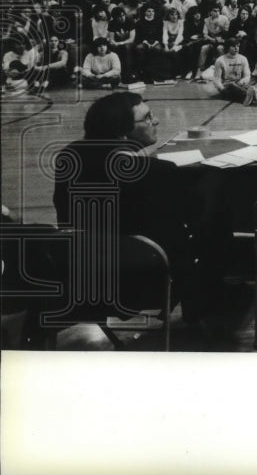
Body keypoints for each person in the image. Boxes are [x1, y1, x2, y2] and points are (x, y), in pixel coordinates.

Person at [52, 93, 209, 323]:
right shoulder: (157, 171)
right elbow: (193, 214)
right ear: (122, 132)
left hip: (83, 277)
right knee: (213, 224)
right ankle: (202, 311)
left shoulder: (69, 157)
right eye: (147, 118)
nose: (155, 121)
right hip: (143, 283)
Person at [211, 37, 257, 106]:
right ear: (228, 47)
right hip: (226, 86)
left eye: (238, 46)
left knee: (246, 86)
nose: (236, 48)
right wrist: (221, 89)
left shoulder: (243, 58)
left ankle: (249, 97)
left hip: (239, 84)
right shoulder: (220, 60)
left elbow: (247, 75)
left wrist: (242, 82)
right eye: (233, 46)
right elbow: (216, 79)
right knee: (232, 85)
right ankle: (251, 96)